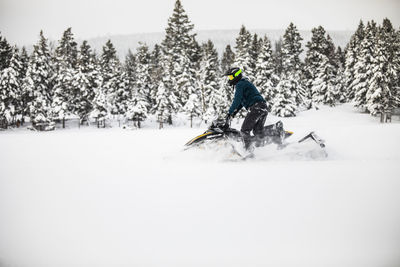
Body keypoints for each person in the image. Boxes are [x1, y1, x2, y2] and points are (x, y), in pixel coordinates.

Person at [224, 67, 269, 151]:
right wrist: (233, 114)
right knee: (258, 131)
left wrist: (229, 113)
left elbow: (237, 100)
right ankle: (263, 150)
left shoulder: (240, 84)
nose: (229, 79)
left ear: (236, 76)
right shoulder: (244, 83)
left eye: (230, 77)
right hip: (262, 107)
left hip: (256, 108)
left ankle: (248, 152)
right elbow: (240, 103)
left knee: (244, 130)